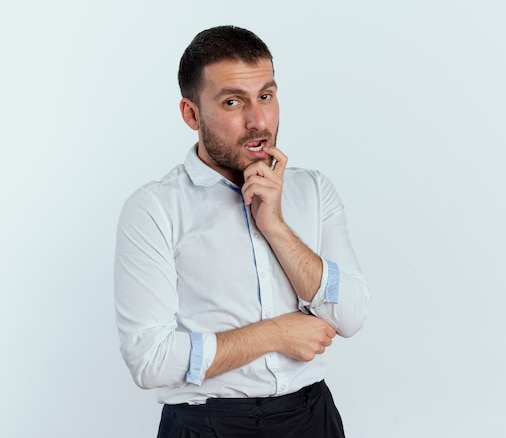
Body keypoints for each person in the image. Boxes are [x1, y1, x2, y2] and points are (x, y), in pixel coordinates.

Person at [114, 25, 371, 438]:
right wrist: (275, 334)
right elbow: (149, 360)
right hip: (207, 426)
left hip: (312, 418)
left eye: (266, 96)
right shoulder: (155, 208)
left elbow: (351, 315)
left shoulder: (313, 190)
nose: (258, 121)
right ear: (191, 114)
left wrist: (275, 226)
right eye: (233, 101)